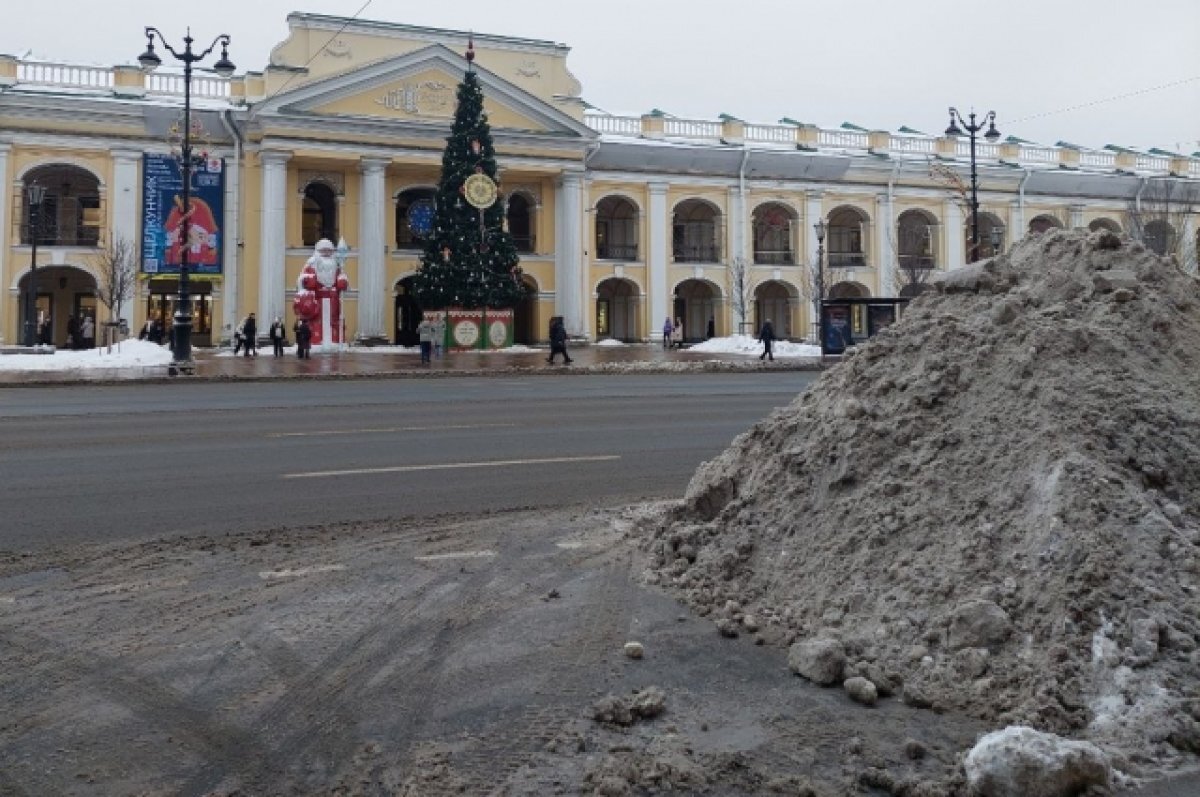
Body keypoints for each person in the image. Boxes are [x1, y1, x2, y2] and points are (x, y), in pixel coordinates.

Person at [293, 238, 350, 350]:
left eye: (329, 251)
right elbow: (302, 279)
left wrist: (342, 282)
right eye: (323, 250)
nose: (326, 253)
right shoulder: (312, 263)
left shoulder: (337, 265)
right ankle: (316, 341)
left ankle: (335, 341)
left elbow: (342, 280)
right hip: (317, 299)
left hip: (333, 299)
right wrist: (307, 281)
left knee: (334, 321)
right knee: (316, 322)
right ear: (318, 251)